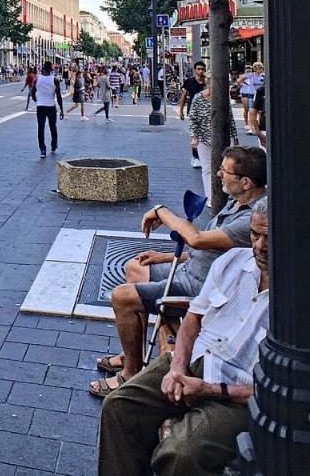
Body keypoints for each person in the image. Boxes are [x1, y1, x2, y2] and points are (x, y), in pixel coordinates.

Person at [97, 199, 271, 476]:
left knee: (180, 453)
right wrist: (177, 366)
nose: (259, 246)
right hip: (199, 359)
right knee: (119, 406)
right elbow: (193, 317)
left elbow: (287, 389)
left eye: (268, 238)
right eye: (255, 235)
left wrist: (210, 390)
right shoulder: (233, 261)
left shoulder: (303, 294)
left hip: (239, 392)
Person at [90, 146, 267, 398]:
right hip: (189, 270)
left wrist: (161, 210)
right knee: (135, 266)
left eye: (224, 170)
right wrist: (162, 257)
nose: (218, 174)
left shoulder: (251, 219)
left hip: (198, 288)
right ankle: (131, 354)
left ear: (246, 182)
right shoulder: (236, 202)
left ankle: (130, 373)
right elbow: (211, 251)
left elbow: (197, 239)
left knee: (121, 297)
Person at [187, 76, 238, 197]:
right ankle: (210, 196)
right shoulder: (198, 98)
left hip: (223, 137)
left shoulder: (223, 98)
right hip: (204, 138)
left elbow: (230, 118)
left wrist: (235, 138)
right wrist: (194, 136)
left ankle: (225, 193)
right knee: (207, 168)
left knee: (226, 167)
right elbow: (193, 119)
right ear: (208, 83)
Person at [177, 60, 207, 168]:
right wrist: (181, 111)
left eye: (202, 69)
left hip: (206, 112)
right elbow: (184, 96)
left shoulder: (207, 82)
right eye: (198, 69)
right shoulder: (189, 81)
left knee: (205, 135)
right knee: (194, 135)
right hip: (193, 112)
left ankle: (203, 156)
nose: (201, 71)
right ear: (195, 70)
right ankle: (195, 157)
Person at [33, 60, 64, 158]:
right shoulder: (55, 80)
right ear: (51, 69)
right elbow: (58, 96)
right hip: (51, 106)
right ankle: (54, 145)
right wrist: (61, 109)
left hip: (40, 106)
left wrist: (37, 101)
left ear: (43, 68)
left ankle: (42, 150)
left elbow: (32, 92)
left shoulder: (37, 79)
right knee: (53, 127)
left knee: (40, 128)